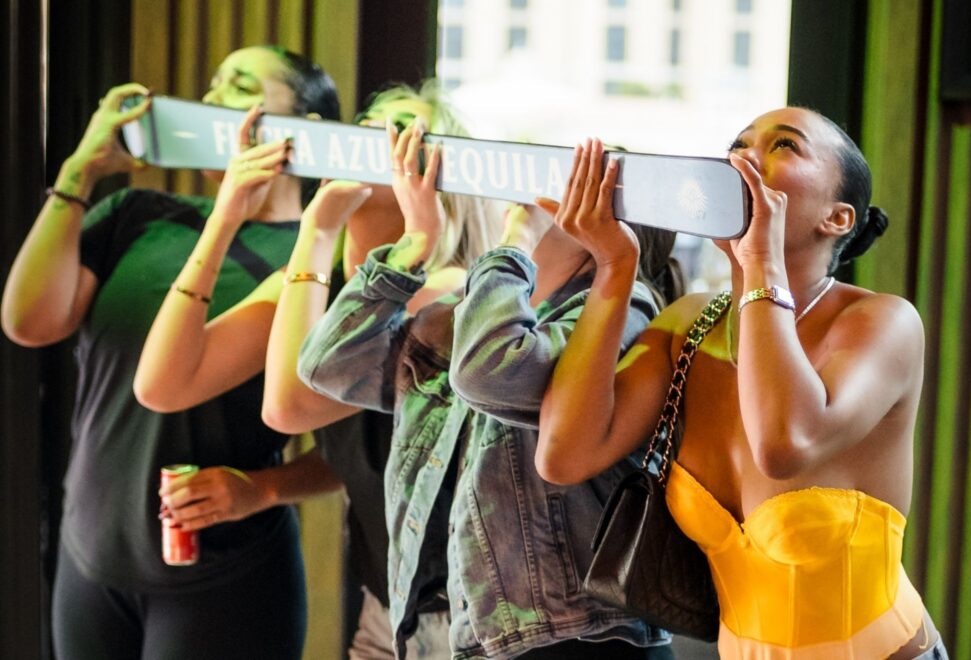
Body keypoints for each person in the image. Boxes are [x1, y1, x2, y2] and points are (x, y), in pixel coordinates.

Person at [536, 108, 946, 659]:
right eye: (739, 144)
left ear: (837, 218)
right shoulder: (688, 324)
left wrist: (761, 263)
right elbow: (564, 455)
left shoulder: (882, 323)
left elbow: (782, 443)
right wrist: (614, 263)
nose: (744, 157)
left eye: (784, 146)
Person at [133, 80, 500, 659]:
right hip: (387, 608)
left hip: (468, 618)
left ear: (435, 181)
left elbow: (289, 405)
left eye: (401, 132)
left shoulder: (448, 294)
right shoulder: (316, 285)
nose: (371, 138)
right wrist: (226, 218)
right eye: (366, 124)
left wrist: (318, 229)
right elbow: (161, 384)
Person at [1, 45, 341, 660]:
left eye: (239, 86)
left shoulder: (313, 260)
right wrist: (79, 172)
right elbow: (30, 322)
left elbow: (358, 449)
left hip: (226, 577)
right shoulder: (140, 213)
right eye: (211, 86)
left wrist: (263, 489)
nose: (210, 101)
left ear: (303, 129)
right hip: (90, 558)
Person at [297, 133, 679, 658]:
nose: (519, 202)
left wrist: (517, 240)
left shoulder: (622, 311)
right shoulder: (475, 311)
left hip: (578, 638)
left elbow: (489, 374)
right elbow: (328, 365)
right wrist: (414, 244)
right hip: (477, 632)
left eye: (555, 191)